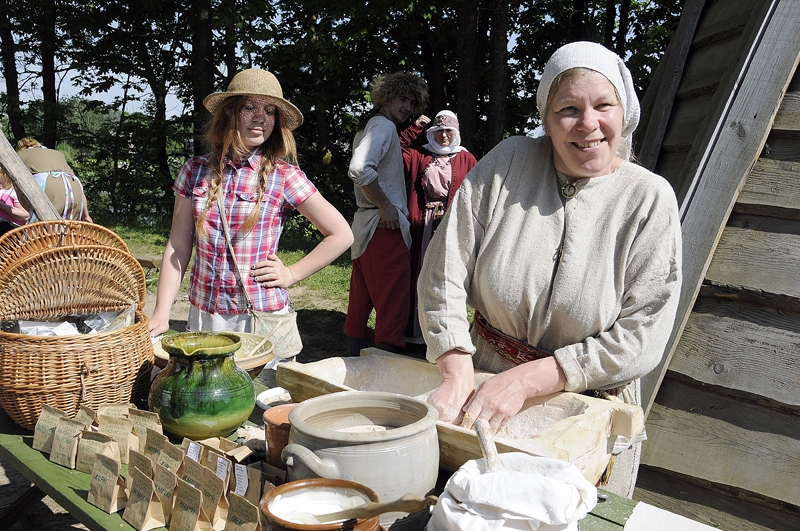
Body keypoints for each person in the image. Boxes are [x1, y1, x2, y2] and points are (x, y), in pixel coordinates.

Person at [417, 41, 682, 498]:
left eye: (603, 106)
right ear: (545, 116)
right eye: (568, 109)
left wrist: (531, 378)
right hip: (478, 389)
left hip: (583, 410)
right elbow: (445, 267)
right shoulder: (509, 162)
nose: (588, 124)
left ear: (626, 112)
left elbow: (642, 335)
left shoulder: (648, 199)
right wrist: (455, 361)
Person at [148, 68, 353, 361]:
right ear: (230, 113)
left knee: (262, 401)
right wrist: (161, 312)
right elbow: (178, 247)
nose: (260, 117)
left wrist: (291, 273)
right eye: (249, 107)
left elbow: (342, 234)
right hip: (204, 317)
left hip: (259, 319)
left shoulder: (284, 176)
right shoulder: (194, 171)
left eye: (270, 111)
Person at [344, 71, 429, 356]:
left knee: (361, 298)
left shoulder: (370, 125)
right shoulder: (383, 126)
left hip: (365, 225)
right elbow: (359, 169)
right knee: (392, 302)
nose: (407, 106)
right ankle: (385, 369)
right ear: (386, 97)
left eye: (412, 102)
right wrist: (386, 205)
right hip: (384, 227)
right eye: (402, 98)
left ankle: (353, 360)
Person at [399, 110, 477, 345]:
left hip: (452, 224)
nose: (444, 136)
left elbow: (478, 191)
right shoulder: (420, 155)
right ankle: (415, 333)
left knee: (447, 275)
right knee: (419, 273)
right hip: (422, 224)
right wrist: (415, 127)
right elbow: (397, 149)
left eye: (449, 131)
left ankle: (445, 333)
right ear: (433, 132)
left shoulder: (467, 159)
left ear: (456, 133)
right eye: (440, 130)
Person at [16, 137, 92, 222]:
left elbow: (19, 188)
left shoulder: (20, 155)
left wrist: (30, 212)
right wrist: (86, 216)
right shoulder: (57, 153)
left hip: (48, 184)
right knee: (70, 226)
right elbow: (74, 183)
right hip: (74, 186)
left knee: (42, 228)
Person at [0, 167, 29, 237]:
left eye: (1, 182)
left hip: (11, 225)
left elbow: (25, 215)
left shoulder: (13, 192)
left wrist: (2, 206)